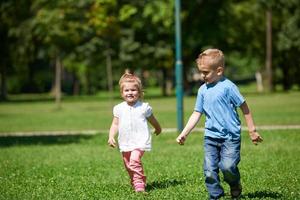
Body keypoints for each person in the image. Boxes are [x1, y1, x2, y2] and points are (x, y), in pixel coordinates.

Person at [176, 49, 263, 199]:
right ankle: (215, 195)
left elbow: (244, 107)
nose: (202, 76)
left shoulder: (229, 87)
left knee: (228, 167)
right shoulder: (202, 90)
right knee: (209, 170)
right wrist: (184, 133)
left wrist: (252, 130)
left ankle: (235, 183)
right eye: (201, 72)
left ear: (219, 71)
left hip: (230, 137)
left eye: (205, 72)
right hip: (210, 137)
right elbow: (197, 113)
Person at [108, 72, 161, 193]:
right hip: (125, 142)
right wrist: (111, 136)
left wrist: (158, 128)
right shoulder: (119, 108)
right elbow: (115, 124)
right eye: (127, 90)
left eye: (133, 90)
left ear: (139, 92)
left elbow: (152, 120)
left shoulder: (144, 107)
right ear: (122, 93)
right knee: (128, 164)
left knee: (134, 160)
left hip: (140, 141)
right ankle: (135, 180)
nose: (130, 92)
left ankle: (139, 184)